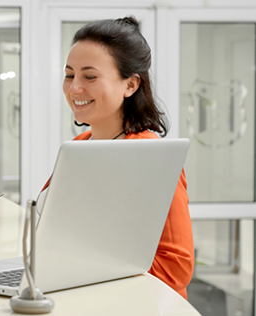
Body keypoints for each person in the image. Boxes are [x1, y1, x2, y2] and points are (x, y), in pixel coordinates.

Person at [56, 16, 194, 298]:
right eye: (70, 74)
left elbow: (176, 266)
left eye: (90, 76)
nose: (74, 88)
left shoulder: (151, 156)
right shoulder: (80, 145)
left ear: (130, 85)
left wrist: (88, 273)